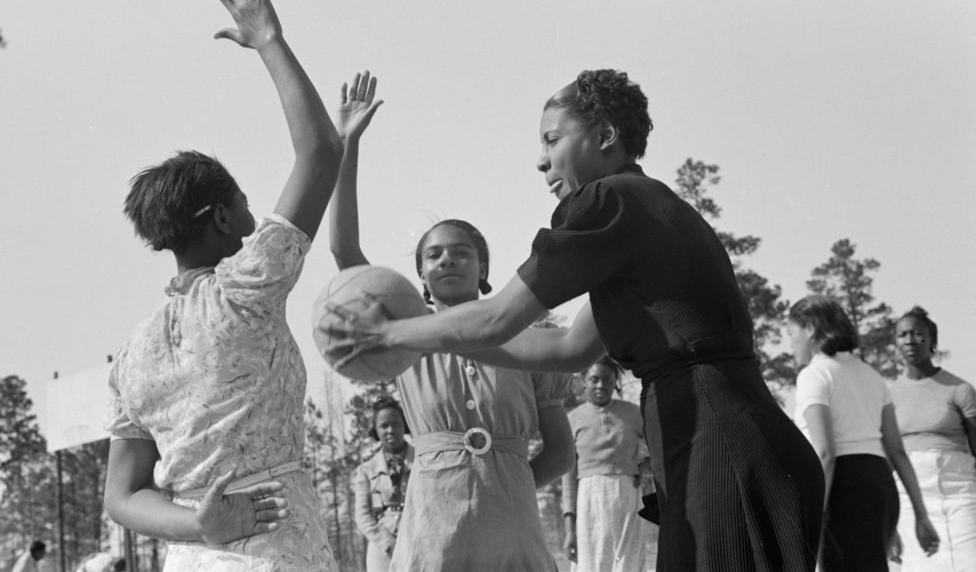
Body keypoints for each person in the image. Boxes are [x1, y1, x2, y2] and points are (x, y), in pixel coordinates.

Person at [327, 68, 824, 572]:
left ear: (604, 136)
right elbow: (569, 349)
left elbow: (499, 318)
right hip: (723, 432)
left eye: (552, 139)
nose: (541, 161)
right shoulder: (647, 209)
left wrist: (390, 334)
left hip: (717, 436)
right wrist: (426, 337)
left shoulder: (608, 200)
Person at [103, 0, 343, 570]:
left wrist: (199, 524)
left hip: (190, 553)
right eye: (244, 205)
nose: (255, 214)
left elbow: (122, 495)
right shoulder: (244, 289)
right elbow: (321, 151)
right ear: (220, 219)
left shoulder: (133, 352)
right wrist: (268, 39)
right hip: (276, 545)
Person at [328, 71, 574, 571]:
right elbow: (343, 250)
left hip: (513, 519)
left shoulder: (531, 337)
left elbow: (561, 452)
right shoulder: (406, 334)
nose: (447, 260)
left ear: (483, 268)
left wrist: (505, 478)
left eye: (462, 252)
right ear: (419, 273)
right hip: (432, 519)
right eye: (434, 254)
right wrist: (346, 147)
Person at [789, 295, 939, 571]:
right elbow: (897, 451)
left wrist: (811, 517)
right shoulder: (871, 375)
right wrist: (921, 516)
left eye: (792, 333)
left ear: (809, 328)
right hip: (879, 486)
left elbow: (826, 453)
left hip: (842, 489)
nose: (791, 343)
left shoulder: (814, 375)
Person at [889, 306, 976, 571]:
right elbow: (888, 457)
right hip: (910, 498)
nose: (910, 340)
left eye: (918, 334)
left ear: (933, 341)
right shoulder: (887, 396)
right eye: (903, 334)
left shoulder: (960, 389)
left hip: (958, 492)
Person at [562, 356, 650, 572]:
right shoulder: (573, 419)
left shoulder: (633, 413)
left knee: (627, 560)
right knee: (592, 561)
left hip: (628, 496)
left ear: (615, 382)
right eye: (594, 379)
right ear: (584, 380)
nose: (601, 385)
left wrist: (644, 466)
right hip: (589, 500)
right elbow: (568, 477)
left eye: (607, 380)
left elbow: (658, 445)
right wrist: (570, 529)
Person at [352, 396, 413, 572]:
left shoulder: (423, 462)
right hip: (382, 547)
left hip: (418, 538)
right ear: (375, 430)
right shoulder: (366, 470)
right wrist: (387, 543)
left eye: (396, 423)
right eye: (384, 426)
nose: (391, 430)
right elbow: (362, 515)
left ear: (405, 424)